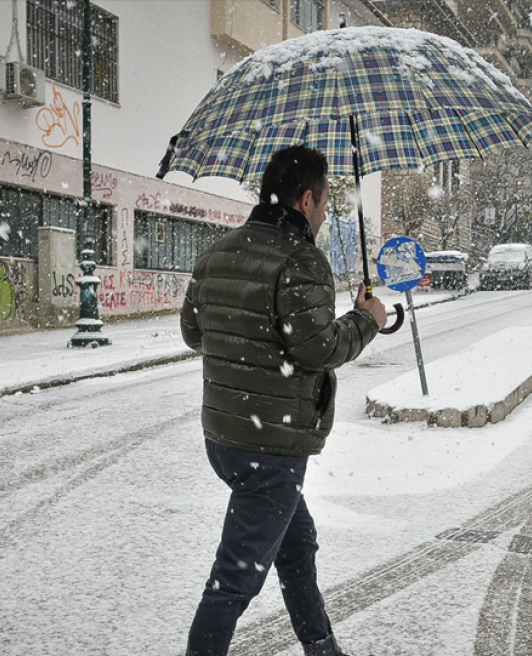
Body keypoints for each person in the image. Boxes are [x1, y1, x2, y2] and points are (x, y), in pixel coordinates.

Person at [179, 145, 387, 656]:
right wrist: (367, 320)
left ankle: (322, 647)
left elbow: (193, 332)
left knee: (297, 547)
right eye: (324, 203)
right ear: (307, 199)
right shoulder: (301, 258)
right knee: (233, 581)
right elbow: (319, 348)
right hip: (270, 448)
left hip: (225, 439)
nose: (325, 215)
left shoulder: (218, 252)